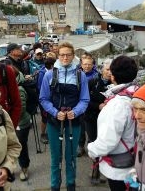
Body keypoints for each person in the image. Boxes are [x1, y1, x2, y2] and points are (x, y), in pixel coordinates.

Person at [39, 42, 90, 191]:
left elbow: (84, 99)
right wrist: (55, 112)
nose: (65, 57)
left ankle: (71, 185)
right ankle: (55, 186)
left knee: (71, 157)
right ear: (58, 56)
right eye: (62, 54)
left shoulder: (80, 76)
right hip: (55, 122)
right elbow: (43, 98)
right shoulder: (50, 74)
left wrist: (76, 111)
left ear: (73, 56)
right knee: (55, 158)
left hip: (74, 122)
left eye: (68, 54)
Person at [87, 55, 139, 191]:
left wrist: (92, 150)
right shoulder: (138, 93)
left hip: (119, 168)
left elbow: (107, 142)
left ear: (113, 76)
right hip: (137, 160)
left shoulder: (117, 104)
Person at [84, 59, 112, 184]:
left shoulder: (115, 83)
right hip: (92, 118)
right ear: (102, 70)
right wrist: (98, 106)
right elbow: (84, 101)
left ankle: (101, 171)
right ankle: (95, 170)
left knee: (106, 144)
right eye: (107, 69)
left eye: (112, 70)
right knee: (94, 143)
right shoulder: (92, 82)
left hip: (108, 120)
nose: (109, 72)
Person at [11, 66, 32, 181]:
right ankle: (10, 168)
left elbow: (21, 109)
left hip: (21, 123)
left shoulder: (19, 89)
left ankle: (24, 168)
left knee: (20, 146)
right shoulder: (7, 87)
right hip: (10, 123)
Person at [77, 53, 99, 157]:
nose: (87, 66)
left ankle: (91, 148)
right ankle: (81, 147)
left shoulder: (96, 76)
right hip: (80, 107)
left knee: (92, 130)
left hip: (92, 107)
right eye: (85, 64)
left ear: (92, 65)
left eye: (89, 64)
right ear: (81, 64)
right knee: (80, 129)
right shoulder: (76, 75)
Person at [37, 52, 57, 144]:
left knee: (51, 117)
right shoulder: (42, 73)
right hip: (44, 100)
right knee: (45, 118)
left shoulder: (52, 72)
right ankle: (43, 134)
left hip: (53, 99)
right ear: (52, 66)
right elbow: (41, 88)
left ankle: (51, 133)